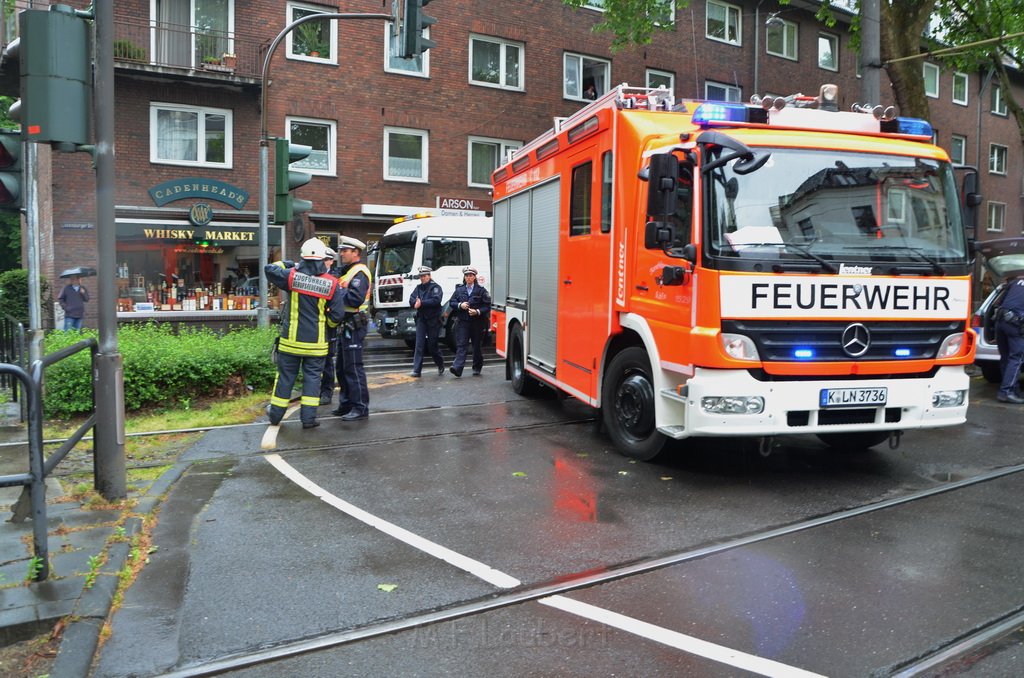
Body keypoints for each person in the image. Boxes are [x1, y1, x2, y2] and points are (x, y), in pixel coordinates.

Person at [264, 238, 345, 429]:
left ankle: (275, 415)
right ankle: (308, 420)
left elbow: (269, 269)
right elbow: (337, 315)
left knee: (285, 379)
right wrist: (327, 326)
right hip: (316, 345)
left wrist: (291, 264)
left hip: (290, 342)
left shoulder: (292, 276)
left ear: (304, 258)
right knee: (312, 381)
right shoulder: (331, 284)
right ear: (321, 259)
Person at [331, 236, 373, 421]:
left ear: (355, 252)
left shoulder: (360, 272)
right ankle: (346, 403)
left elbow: (355, 299)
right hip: (345, 324)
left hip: (354, 324)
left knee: (353, 368)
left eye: (345, 250)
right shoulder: (347, 271)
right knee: (341, 367)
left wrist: (335, 293)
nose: (341, 254)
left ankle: (360, 407)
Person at [448, 266, 490, 377]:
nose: (468, 277)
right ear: (464, 277)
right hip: (463, 322)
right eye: (466, 275)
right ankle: (457, 368)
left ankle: (477, 367)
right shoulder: (459, 290)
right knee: (462, 345)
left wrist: (477, 311)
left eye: (471, 275)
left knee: (476, 346)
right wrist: (459, 305)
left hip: (477, 323)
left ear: (474, 277)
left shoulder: (481, 291)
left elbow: (487, 306)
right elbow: (451, 302)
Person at [408, 265, 445, 377]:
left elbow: (436, 300)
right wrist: (415, 303)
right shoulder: (418, 288)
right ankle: (417, 370)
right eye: (421, 276)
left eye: (424, 276)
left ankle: (440, 364)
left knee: (432, 346)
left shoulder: (436, 287)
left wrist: (421, 303)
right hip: (421, 319)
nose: (422, 278)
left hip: (433, 320)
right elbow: (411, 298)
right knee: (419, 345)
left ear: (429, 276)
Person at [994, 273, 1024, 404]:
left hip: (1000, 322)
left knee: (1006, 357)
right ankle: (1007, 392)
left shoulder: (1015, 281)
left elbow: (998, 302)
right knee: (1016, 358)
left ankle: (1012, 389)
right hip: (1015, 324)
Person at [319, 247, 341, 405]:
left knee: (327, 361)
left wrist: (331, 323)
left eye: (326, 260)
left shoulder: (335, 278)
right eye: (321, 260)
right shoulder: (315, 276)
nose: (323, 263)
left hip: (328, 327)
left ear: (331, 261)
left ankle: (327, 392)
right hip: (315, 325)